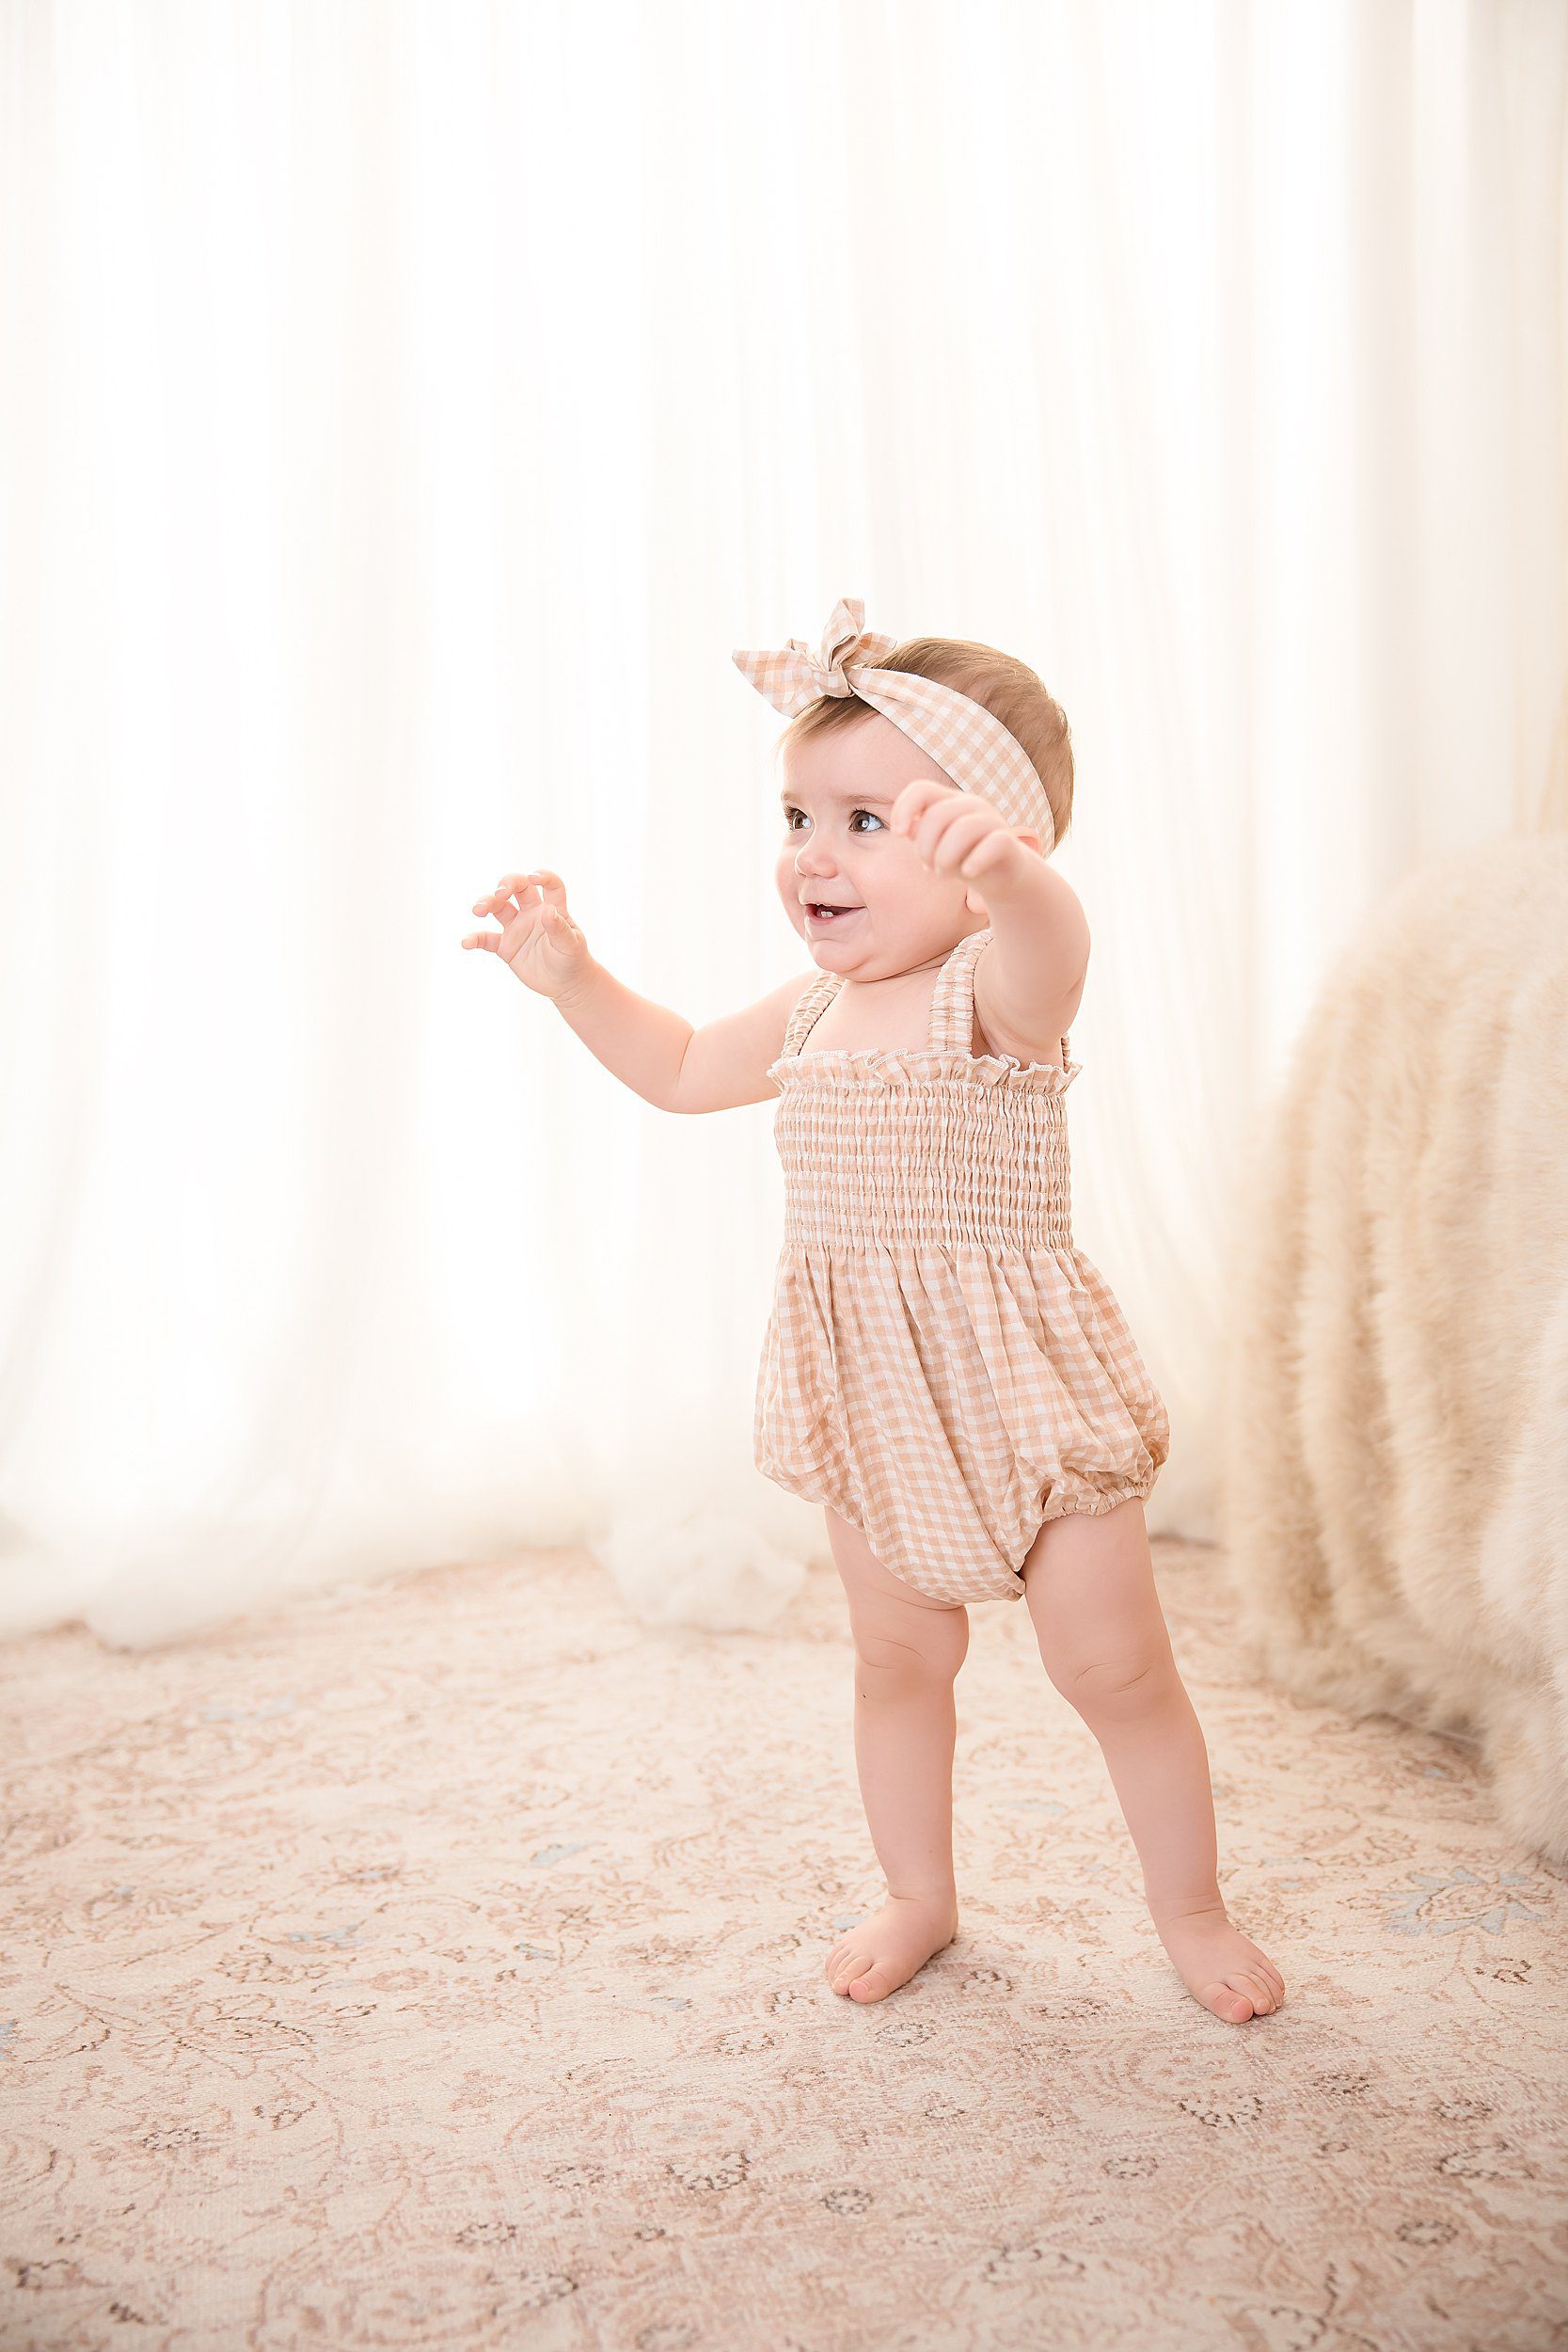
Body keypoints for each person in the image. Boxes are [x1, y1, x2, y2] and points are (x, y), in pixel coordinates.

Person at [461, 596, 1285, 2027]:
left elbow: (1058, 948)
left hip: (1024, 1398)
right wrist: (573, 980)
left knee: (1112, 1666)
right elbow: (679, 1069)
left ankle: (1191, 1908)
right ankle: (918, 1892)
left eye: (866, 823)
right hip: (871, 1399)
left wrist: (1016, 879)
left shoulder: (997, 994)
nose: (813, 856)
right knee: (897, 1660)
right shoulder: (809, 1010)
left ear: (985, 849)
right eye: (798, 817)